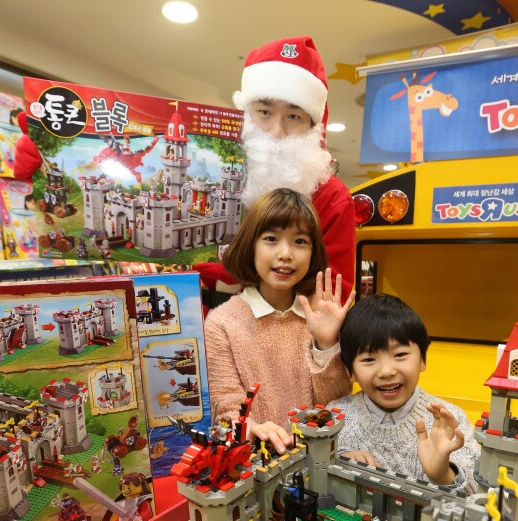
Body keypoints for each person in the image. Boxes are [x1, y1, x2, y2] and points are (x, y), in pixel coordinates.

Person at [194, 36, 356, 308]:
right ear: (247, 114)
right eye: (265, 112)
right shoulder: (216, 174)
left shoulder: (332, 197)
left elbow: (333, 296)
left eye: (293, 116)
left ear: (313, 126)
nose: (277, 131)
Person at [205, 187, 354, 454]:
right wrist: (250, 427)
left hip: (321, 460)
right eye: (271, 239)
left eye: (300, 241)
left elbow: (339, 403)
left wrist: (326, 344)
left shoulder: (322, 314)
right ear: (250, 246)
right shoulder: (222, 323)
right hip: (255, 461)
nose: (285, 253)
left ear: (313, 252)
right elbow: (225, 407)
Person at [327, 293, 479, 492]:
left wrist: (443, 474)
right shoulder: (336, 416)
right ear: (350, 371)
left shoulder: (450, 420)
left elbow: (476, 493)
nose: (386, 371)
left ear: (422, 360)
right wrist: (339, 462)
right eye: (369, 359)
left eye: (400, 355)